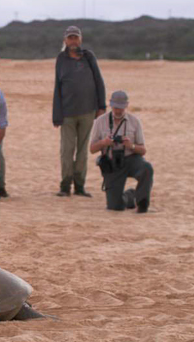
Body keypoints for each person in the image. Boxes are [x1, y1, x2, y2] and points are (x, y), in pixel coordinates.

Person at [53, 25, 106, 198]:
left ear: (80, 39)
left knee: (83, 151)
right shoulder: (61, 59)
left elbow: (99, 81)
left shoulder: (88, 57)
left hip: (88, 111)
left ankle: (80, 186)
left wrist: (101, 107)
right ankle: (65, 186)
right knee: (67, 150)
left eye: (76, 37)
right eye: (70, 38)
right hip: (67, 113)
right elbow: (58, 87)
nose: (73, 41)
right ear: (65, 40)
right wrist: (56, 114)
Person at [90, 90, 153, 213]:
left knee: (147, 168)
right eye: (115, 108)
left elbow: (143, 150)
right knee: (115, 207)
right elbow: (92, 149)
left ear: (126, 106)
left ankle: (142, 204)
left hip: (130, 158)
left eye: (121, 108)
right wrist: (104, 143)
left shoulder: (135, 121)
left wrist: (131, 145)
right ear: (111, 105)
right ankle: (130, 196)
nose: (118, 111)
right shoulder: (100, 121)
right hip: (111, 162)